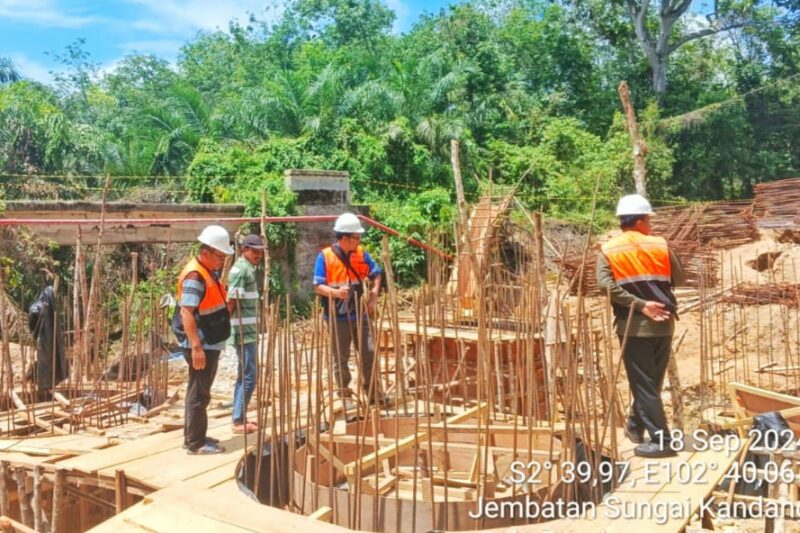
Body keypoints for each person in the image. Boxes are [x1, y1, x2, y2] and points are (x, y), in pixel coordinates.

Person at [596, 194, 686, 458]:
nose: (651, 226)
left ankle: (661, 441)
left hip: (633, 327)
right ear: (640, 220)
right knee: (651, 382)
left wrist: (638, 302)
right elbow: (678, 277)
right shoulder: (660, 245)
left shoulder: (608, 250)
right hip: (664, 324)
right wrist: (650, 297)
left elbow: (605, 286)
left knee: (644, 384)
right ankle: (636, 427)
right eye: (649, 220)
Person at [172, 225, 234, 455]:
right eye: (219, 256)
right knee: (200, 393)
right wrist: (196, 346)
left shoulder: (207, 271)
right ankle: (196, 444)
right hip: (201, 343)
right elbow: (186, 312)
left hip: (208, 339)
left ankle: (193, 436)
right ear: (206, 252)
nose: (222, 261)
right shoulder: (195, 276)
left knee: (197, 391)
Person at [313, 213, 387, 407]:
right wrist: (336, 293)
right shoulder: (325, 257)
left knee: (369, 352)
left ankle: (373, 393)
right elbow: (318, 286)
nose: (359, 240)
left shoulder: (361, 254)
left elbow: (376, 274)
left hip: (359, 314)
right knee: (341, 357)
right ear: (345, 237)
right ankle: (345, 396)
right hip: (337, 316)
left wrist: (373, 296)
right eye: (356, 237)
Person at [228, 234, 264, 434]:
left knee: (245, 374)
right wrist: (225, 324)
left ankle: (239, 416)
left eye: (260, 251)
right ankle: (238, 420)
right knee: (250, 375)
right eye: (254, 250)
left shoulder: (249, 268)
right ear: (244, 249)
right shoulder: (241, 270)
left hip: (248, 329)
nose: (258, 254)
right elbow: (232, 301)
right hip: (242, 331)